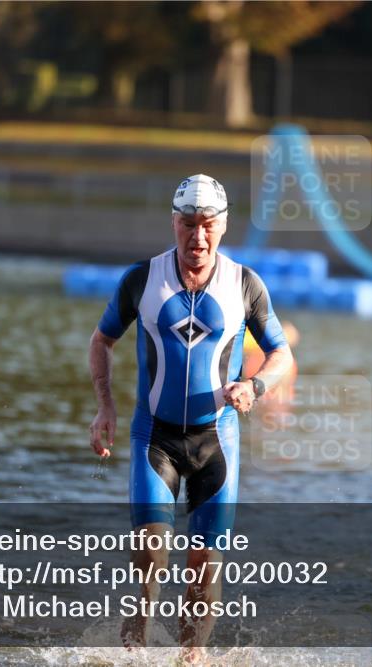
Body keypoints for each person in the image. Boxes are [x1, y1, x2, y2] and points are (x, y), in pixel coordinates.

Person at [87, 174, 294, 655]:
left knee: (204, 565)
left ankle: (192, 658)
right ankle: (131, 656)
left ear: (223, 226)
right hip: (153, 438)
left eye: (207, 225)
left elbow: (280, 353)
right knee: (149, 558)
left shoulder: (244, 283)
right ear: (173, 223)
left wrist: (254, 385)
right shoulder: (142, 279)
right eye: (187, 224)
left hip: (216, 442)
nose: (197, 237)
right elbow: (102, 340)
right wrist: (105, 406)